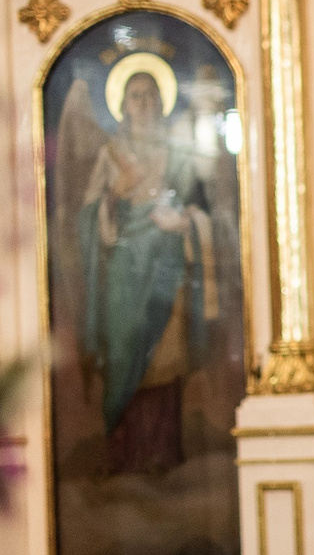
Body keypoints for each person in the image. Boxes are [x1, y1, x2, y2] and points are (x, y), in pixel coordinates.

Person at [80, 69, 220, 476]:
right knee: (125, 349)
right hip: (124, 275)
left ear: (162, 102)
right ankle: (124, 456)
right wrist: (114, 196)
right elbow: (88, 217)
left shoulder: (180, 154)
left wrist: (184, 223)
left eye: (150, 95)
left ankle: (162, 455)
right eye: (135, 96)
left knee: (164, 357)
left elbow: (202, 210)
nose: (143, 104)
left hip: (167, 265)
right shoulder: (111, 155)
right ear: (122, 105)